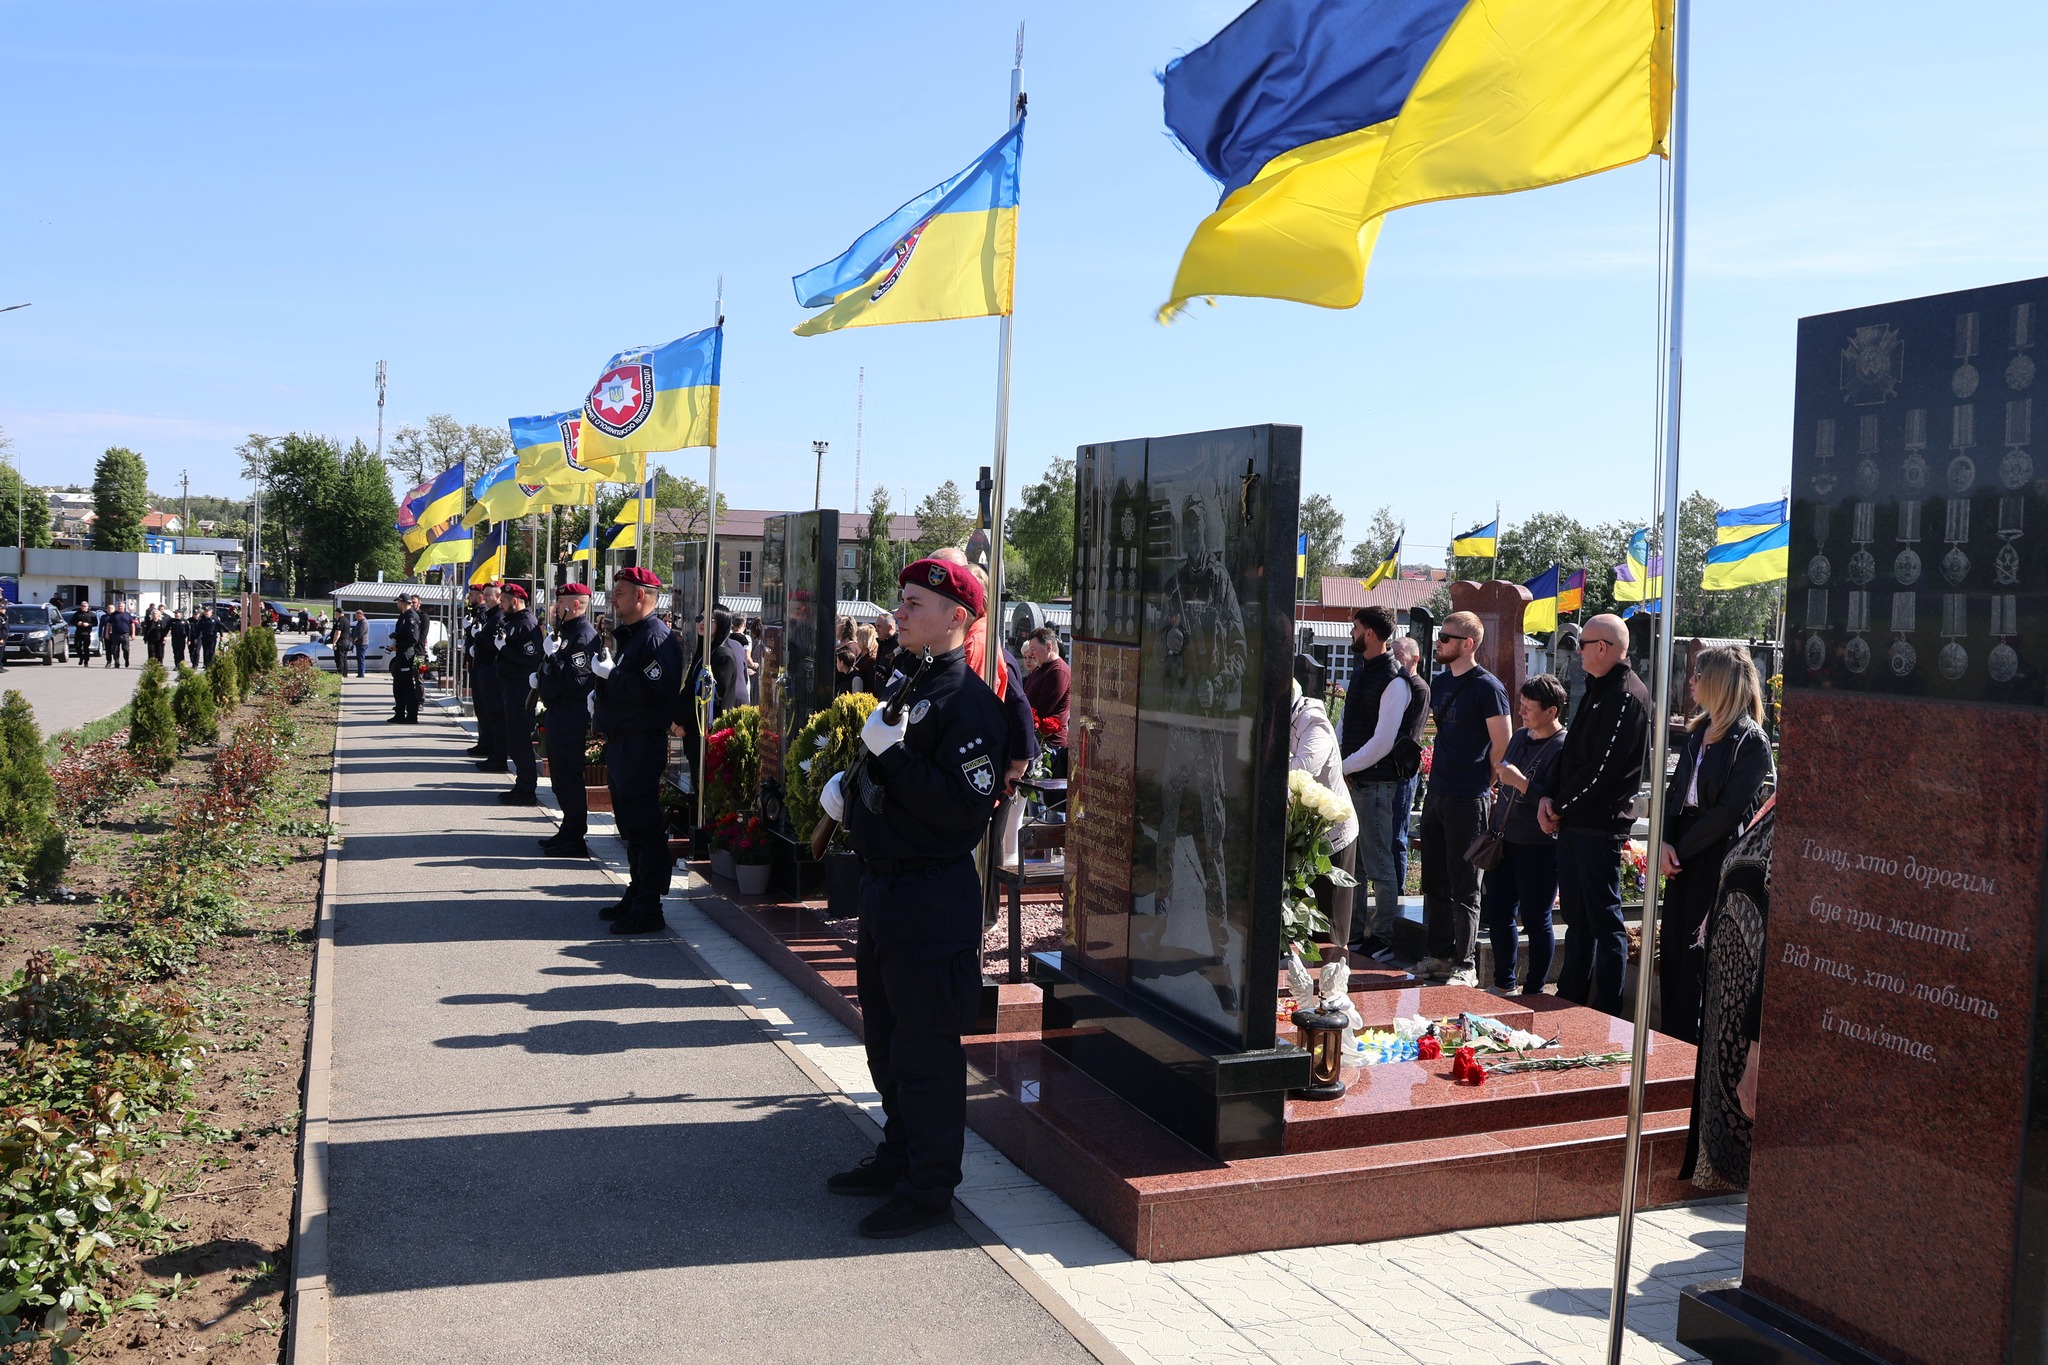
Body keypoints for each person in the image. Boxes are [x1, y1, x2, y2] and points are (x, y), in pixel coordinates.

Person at [817, 556, 1009, 1239]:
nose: (899, 612)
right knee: (887, 1039)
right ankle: (900, 1153)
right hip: (888, 887)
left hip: (931, 895)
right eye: (901, 601)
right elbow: (889, 766)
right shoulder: (911, 676)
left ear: (957, 618)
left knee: (925, 1050)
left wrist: (892, 758)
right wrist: (851, 787)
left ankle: (929, 1187)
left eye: (914, 603)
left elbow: (961, 814)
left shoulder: (970, 704)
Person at [1657, 647, 1773, 1044]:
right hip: (1681, 850)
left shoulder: (1750, 741)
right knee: (1672, 947)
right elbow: (1676, 796)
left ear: (1719, 682)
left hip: (1714, 855)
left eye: (1698, 674)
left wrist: (1679, 851)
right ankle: (1669, 1039)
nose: (1690, 682)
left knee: (1698, 956)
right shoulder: (1697, 733)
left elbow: (1726, 813)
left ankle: (1687, 1047)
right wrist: (1662, 844)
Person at [1541, 613, 1652, 1017]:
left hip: (1599, 824)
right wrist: (1551, 799)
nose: (1577, 653)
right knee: (1578, 917)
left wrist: (1559, 805)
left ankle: (1606, 1007)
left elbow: (1602, 770)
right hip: (1576, 821)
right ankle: (1572, 994)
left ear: (1603, 647)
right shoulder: (1598, 688)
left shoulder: (1624, 695)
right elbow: (1574, 756)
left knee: (1604, 920)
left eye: (1581, 645)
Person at [1413, 611, 1511, 987]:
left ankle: (1464, 963)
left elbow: (1501, 746)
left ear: (1467, 644)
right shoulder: (1440, 683)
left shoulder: (1488, 687)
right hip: (1437, 792)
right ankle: (1437, 954)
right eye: (1439, 636)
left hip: (1469, 797)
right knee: (1434, 879)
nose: (1438, 642)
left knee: (1465, 882)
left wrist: (1485, 785)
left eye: (1446, 637)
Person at [590, 566, 686, 934]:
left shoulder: (657, 638)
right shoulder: (635, 637)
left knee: (644, 826)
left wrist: (611, 677)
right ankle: (638, 890)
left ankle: (650, 905)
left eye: (621, 591)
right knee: (630, 826)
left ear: (641, 595)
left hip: (641, 744)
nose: (614, 598)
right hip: (623, 743)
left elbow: (654, 692)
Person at [1338, 606, 1428, 962]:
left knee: (1379, 863)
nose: (1351, 634)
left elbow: (1383, 741)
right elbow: (1346, 720)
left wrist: (1344, 765)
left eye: (1355, 629)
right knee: (1355, 863)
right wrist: (1337, 765)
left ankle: (1385, 935)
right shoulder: (1363, 671)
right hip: (1353, 778)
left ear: (1371, 634)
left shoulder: (1395, 680)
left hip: (1375, 784)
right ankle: (1356, 929)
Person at [1481, 674, 1569, 995]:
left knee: (1536, 919)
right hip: (1504, 839)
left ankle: (1534, 989)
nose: (1522, 712)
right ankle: (1504, 982)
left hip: (1539, 847)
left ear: (1552, 711)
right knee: (1499, 912)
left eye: (1529, 707)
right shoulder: (1520, 736)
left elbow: (1557, 800)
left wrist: (1521, 784)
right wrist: (1500, 788)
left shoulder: (1563, 747)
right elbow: (1507, 775)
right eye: (1521, 704)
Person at [1290, 678, 1360, 953]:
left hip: (1332, 832)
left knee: (1329, 924)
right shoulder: (1287, 720)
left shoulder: (1314, 724)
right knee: (1302, 919)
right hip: (1301, 831)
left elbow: (1298, 773)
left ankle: (1333, 985)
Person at [537, 583, 600, 858]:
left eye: (560, 601)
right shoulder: (565, 631)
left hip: (571, 714)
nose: (555, 606)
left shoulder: (584, 635)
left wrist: (553, 658)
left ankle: (575, 836)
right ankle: (567, 828)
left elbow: (577, 678)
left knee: (569, 776)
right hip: (558, 712)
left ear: (575, 604)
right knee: (559, 777)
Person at [498, 583, 544, 805]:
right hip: (512, 687)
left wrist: (503, 649)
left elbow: (531, 658)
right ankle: (521, 785)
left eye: (504, 601)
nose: (501, 605)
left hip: (521, 690)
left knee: (520, 741)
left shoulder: (526, 624)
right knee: (514, 741)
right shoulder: (515, 622)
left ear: (514, 601)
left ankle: (527, 790)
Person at [1390, 634, 1424, 890]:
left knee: (1397, 835)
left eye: (1399, 655)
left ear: (1415, 659)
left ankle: (1398, 891)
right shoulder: (1394, 684)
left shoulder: (1418, 687)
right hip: (1389, 768)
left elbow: (1408, 732)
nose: (1394, 659)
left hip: (1402, 768)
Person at [469, 582, 507, 772]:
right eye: (483, 594)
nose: (485, 597)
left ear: (498, 597)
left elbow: (494, 644)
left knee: (494, 715)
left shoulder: (499, 617)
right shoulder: (491, 616)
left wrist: (478, 638)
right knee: (486, 712)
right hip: (484, 668)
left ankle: (495, 753)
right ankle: (489, 748)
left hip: (492, 671)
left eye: (488, 595)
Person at [1020, 625, 1070, 749]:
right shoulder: (1042, 668)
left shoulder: (1058, 671)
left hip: (1049, 744)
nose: (1031, 653)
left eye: (1034, 649)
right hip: (1036, 739)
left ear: (1048, 647)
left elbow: (1042, 709)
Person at [390, 592, 423, 723]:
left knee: (407, 686)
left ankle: (411, 716)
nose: (397, 605)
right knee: (398, 686)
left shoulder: (411, 617)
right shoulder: (402, 616)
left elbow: (413, 638)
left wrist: (399, 646)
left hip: (406, 655)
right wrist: (395, 637)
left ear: (403, 602)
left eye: (398, 602)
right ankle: (399, 713)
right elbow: (402, 634)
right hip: (400, 654)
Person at [104, 599, 134, 668]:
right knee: (115, 650)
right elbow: (108, 624)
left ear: (124, 607)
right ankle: (116, 662)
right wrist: (107, 633)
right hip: (115, 634)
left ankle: (126, 660)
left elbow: (132, 624)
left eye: (121, 606)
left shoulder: (127, 614)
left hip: (125, 634)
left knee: (126, 649)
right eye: (119, 606)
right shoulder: (114, 614)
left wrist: (133, 634)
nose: (120, 607)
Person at [871, 611, 901, 678]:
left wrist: (887, 674)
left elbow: (901, 674)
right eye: (875, 626)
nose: (876, 630)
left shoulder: (900, 644)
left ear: (890, 627)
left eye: (879, 626)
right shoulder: (882, 643)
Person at [71, 601, 96, 666]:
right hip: (78, 633)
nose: (83, 607)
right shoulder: (77, 613)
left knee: (86, 648)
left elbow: (95, 623)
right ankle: (81, 657)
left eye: (84, 606)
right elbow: (71, 622)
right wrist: (77, 623)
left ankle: (86, 661)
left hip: (87, 633)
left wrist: (88, 624)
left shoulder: (92, 614)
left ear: (87, 607)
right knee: (77, 646)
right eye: (82, 606)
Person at [350, 611, 368, 678]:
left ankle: (361, 673)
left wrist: (354, 640)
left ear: (361, 615)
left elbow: (360, 633)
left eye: (357, 616)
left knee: (361, 659)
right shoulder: (359, 622)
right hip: (359, 643)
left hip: (362, 643)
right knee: (359, 658)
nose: (356, 618)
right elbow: (354, 630)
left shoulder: (364, 623)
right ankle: (360, 672)